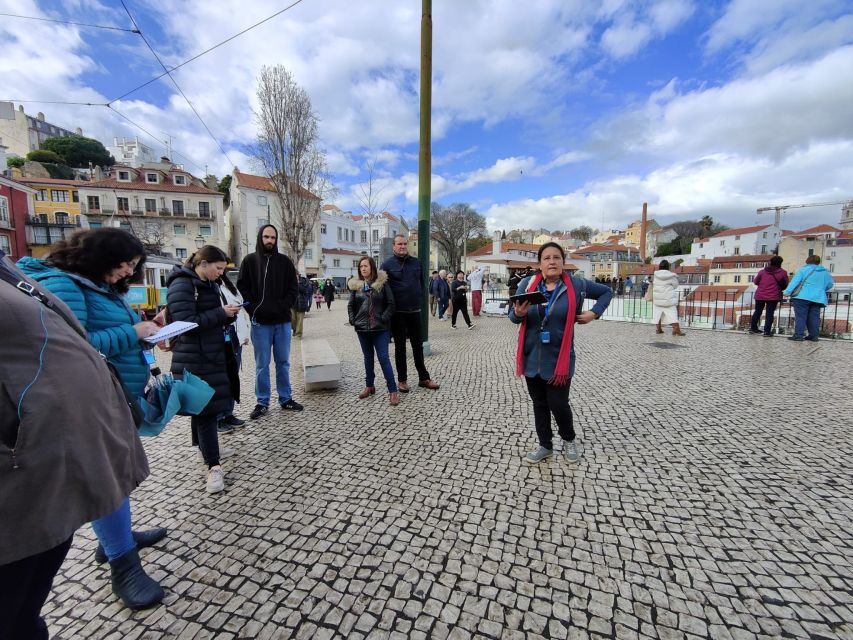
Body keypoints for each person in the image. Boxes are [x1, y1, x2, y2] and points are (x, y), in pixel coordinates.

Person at [0, 251, 153, 635]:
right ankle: (122, 558)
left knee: (111, 479)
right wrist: (135, 333)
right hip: (33, 444)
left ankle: (121, 539)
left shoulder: (93, 288)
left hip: (85, 419)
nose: (129, 270)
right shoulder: (61, 283)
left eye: (135, 264)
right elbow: (83, 338)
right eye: (125, 262)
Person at [510, 242, 612, 464]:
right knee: (539, 403)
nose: (552, 261)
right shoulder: (528, 284)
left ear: (563, 262)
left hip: (559, 359)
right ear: (540, 264)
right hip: (531, 357)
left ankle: (568, 439)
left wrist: (594, 313)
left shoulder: (576, 285)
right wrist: (518, 313)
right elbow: (512, 316)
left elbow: (607, 292)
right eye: (547, 258)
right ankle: (545, 445)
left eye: (556, 257)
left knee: (558, 404)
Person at [167, 246, 241, 494]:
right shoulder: (183, 285)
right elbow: (185, 323)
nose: (221, 274)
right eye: (218, 268)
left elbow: (209, 316)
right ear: (204, 263)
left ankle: (204, 450)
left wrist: (228, 315)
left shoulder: (207, 283)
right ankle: (214, 466)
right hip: (194, 357)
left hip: (210, 353)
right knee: (207, 410)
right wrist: (220, 313)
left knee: (202, 409)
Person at [237, 224, 304, 419]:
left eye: (273, 238)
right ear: (260, 238)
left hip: (282, 322)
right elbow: (242, 287)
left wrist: (283, 306)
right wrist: (253, 308)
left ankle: (285, 398)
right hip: (260, 324)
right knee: (262, 364)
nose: (269, 241)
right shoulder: (249, 261)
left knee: (283, 362)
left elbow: (293, 288)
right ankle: (262, 402)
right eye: (266, 237)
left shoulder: (284, 262)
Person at [380, 234, 440, 392]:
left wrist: (418, 297)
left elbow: (421, 284)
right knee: (400, 347)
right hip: (397, 313)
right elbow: (382, 289)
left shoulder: (416, 263)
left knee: (418, 346)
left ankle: (424, 378)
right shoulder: (386, 265)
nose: (402, 246)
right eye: (399, 244)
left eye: (405, 244)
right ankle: (402, 380)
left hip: (415, 311)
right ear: (393, 246)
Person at [348, 256, 399, 406]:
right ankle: (369, 385)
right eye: (361, 266)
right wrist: (353, 320)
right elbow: (351, 305)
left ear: (372, 267)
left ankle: (393, 390)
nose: (363, 268)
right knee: (368, 358)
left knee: (384, 358)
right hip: (362, 329)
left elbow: (391, 304)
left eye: (366, 266)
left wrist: (383, 318)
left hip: (380, 329)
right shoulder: (356, 285)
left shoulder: (382, 283)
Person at [217, 271, 249, 434]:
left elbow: (240, 309)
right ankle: (218, 417)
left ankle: (228, 413)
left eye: (222, 268)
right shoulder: (206, 286)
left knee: (232, 377)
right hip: (221, 336)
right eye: (218, 267)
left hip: (235, 335)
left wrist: (244, 335)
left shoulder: (228, 285)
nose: (220, 271)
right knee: (221, 379)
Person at [783, 255, 834, 341]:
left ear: (807, 261)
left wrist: (787, 292)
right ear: (818, 262)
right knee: (814, 317)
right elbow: (830, 285)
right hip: (818, 298)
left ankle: (799, 335)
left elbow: (795, 282)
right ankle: (814, 336)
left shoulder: (803, 270)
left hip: (802, 297)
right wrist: (820, 289)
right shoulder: (825, 272)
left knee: (801, 316)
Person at [749, 255, 788, 337]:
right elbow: (785, 284)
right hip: (773, 296)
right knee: (770, 313)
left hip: (760, 295)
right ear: (780, 263)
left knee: (757, 311)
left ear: (770, 262)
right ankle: (767, 331)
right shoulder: (783, 273)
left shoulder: (762, 272)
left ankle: (753, 328)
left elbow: (755, 282)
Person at [649, 260, 685, 336]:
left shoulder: (656, 275)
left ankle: (658, 329)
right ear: (667, 267)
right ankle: (677, 330)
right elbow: (675, 285)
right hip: (668, 299)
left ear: (660, 266)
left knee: (657, 314)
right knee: (673, 315)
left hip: (658, 299)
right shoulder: (671, 276)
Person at [292, 272, 312, 337]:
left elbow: (306, 290)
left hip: (302, 303)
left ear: (298, 275)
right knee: (292, 319)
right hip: (292, 304)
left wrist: (297, 284)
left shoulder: (305, 281)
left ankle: (298, 334)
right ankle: (295, 330)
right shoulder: (289, 281)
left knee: (300, 320)